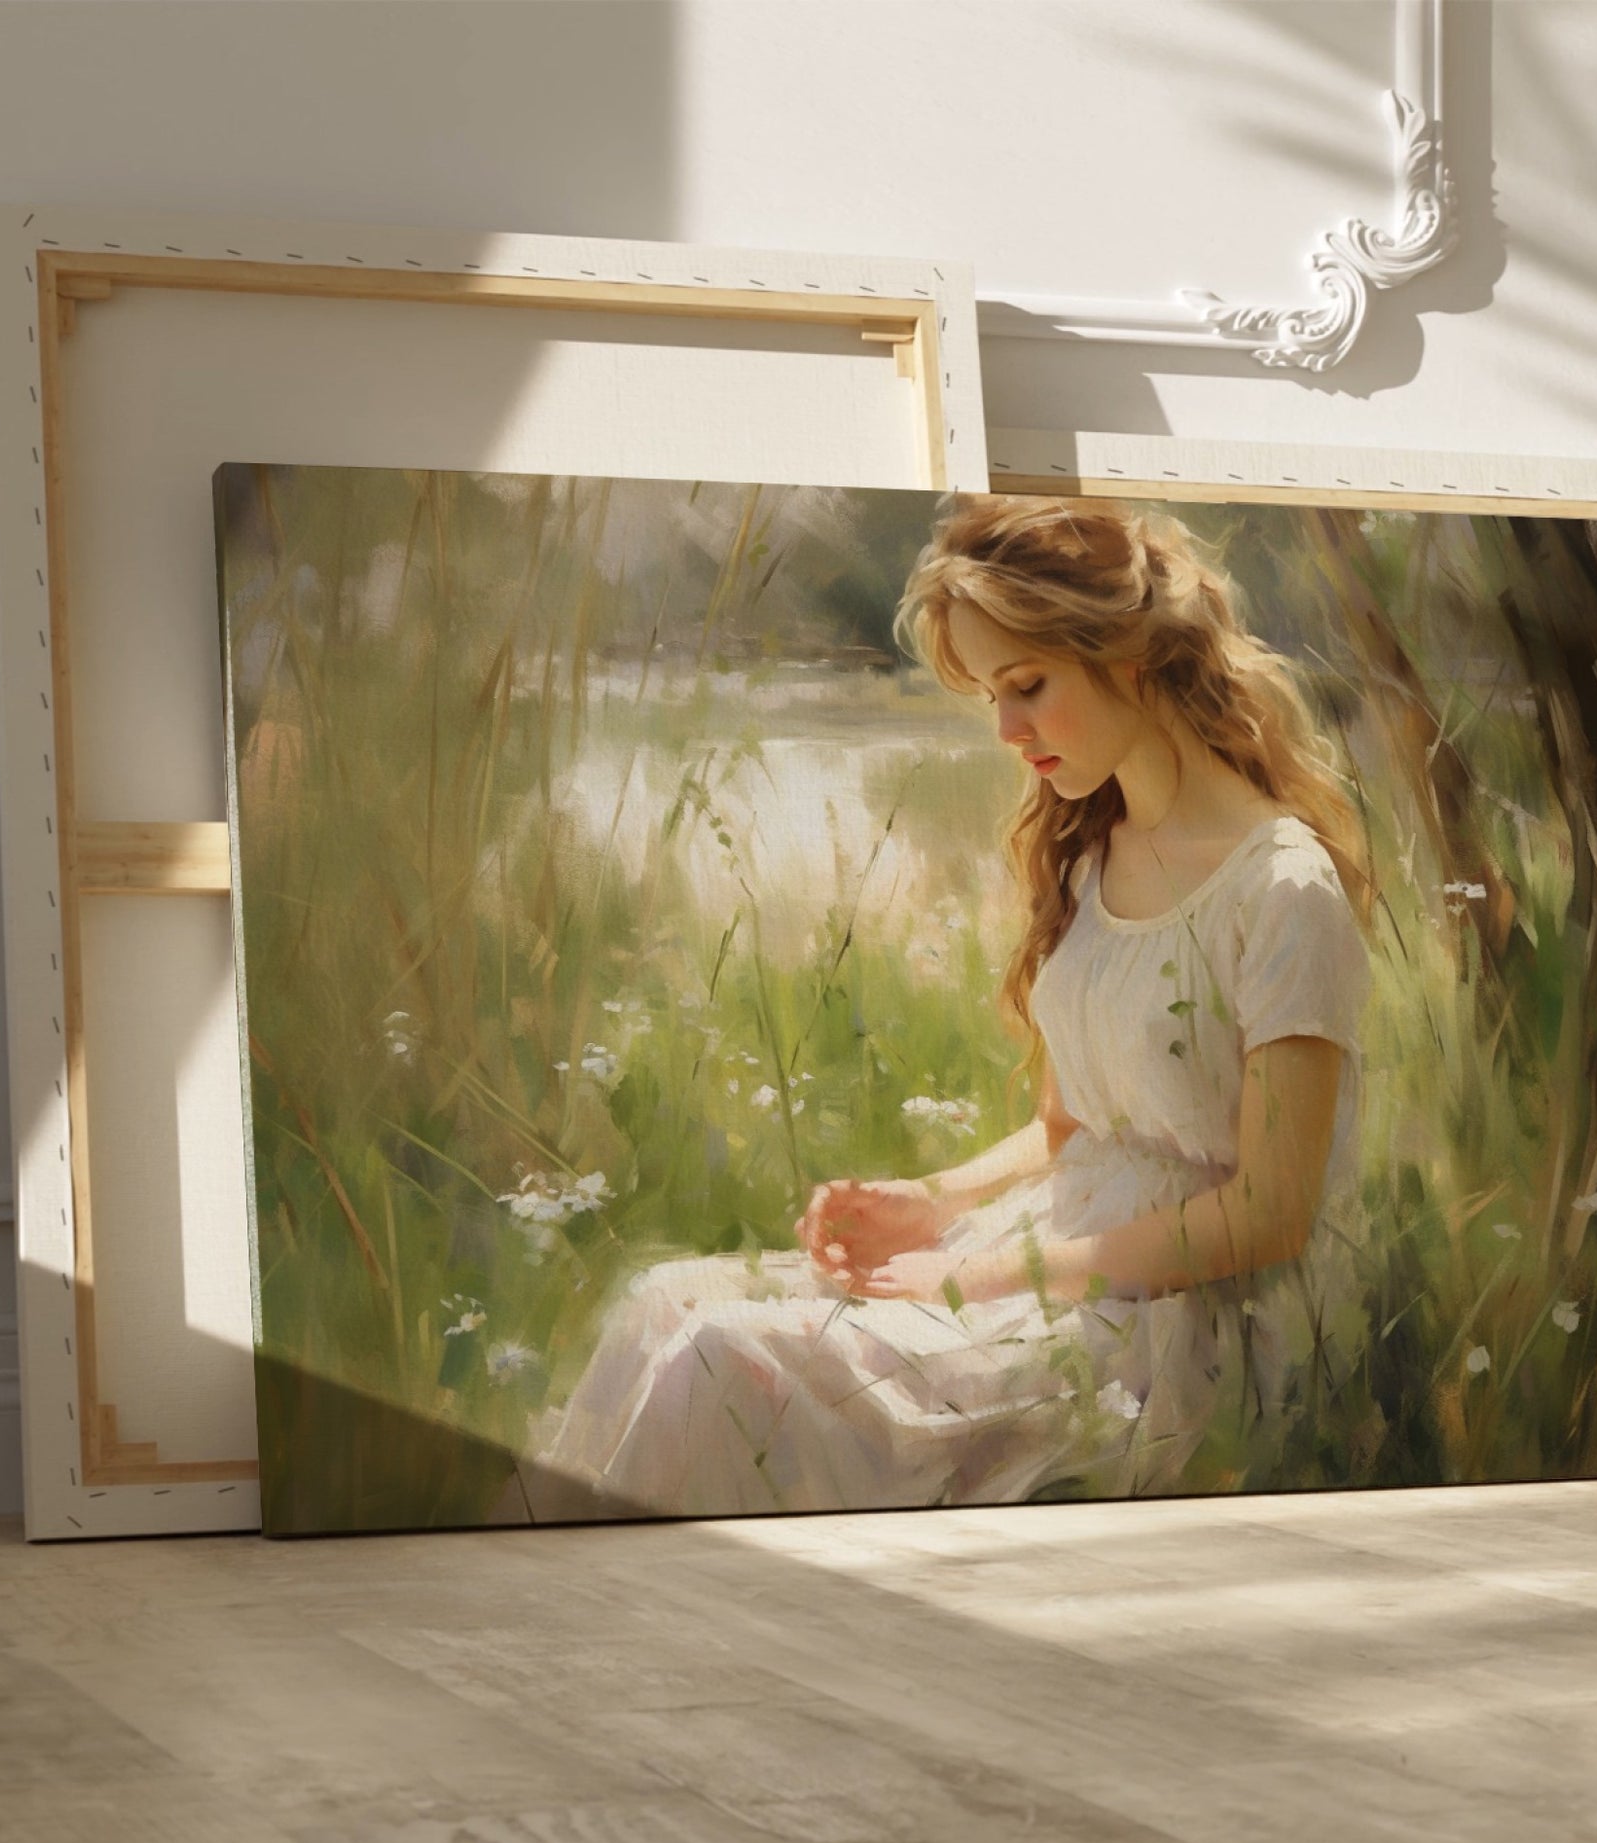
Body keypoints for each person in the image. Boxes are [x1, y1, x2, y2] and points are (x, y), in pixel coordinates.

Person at [514, 496, 1373, 1522]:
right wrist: (936, 1200)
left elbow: (1269, 1214)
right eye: (989, 697)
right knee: (660, 1300)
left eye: (1026, 686)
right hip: (1043, 1254)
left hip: (1169, 1324)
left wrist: (982, 1275)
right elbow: (1073, 1127)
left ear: (1129, 654)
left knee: (720, 1358)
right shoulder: (1094, 855)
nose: (1007, 731)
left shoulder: (1281, 888)